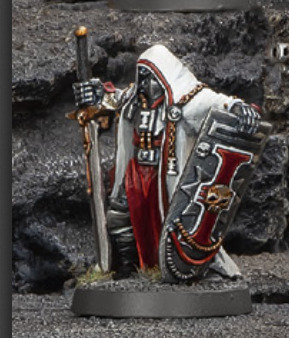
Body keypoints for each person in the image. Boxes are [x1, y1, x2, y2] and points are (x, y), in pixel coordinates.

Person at [72, 45, 268, 282]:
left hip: (165, 174)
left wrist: (238, 108)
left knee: (171, 220)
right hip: (136, 172)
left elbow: (214, 103)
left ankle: (173, 267)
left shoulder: (187, 100)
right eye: (142, 77)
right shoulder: (135, 99)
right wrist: (94, 93)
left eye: (151, 77)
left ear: (164, 75)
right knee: (120, 217)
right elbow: (112, 98)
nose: (145, 84)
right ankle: (128, 268)